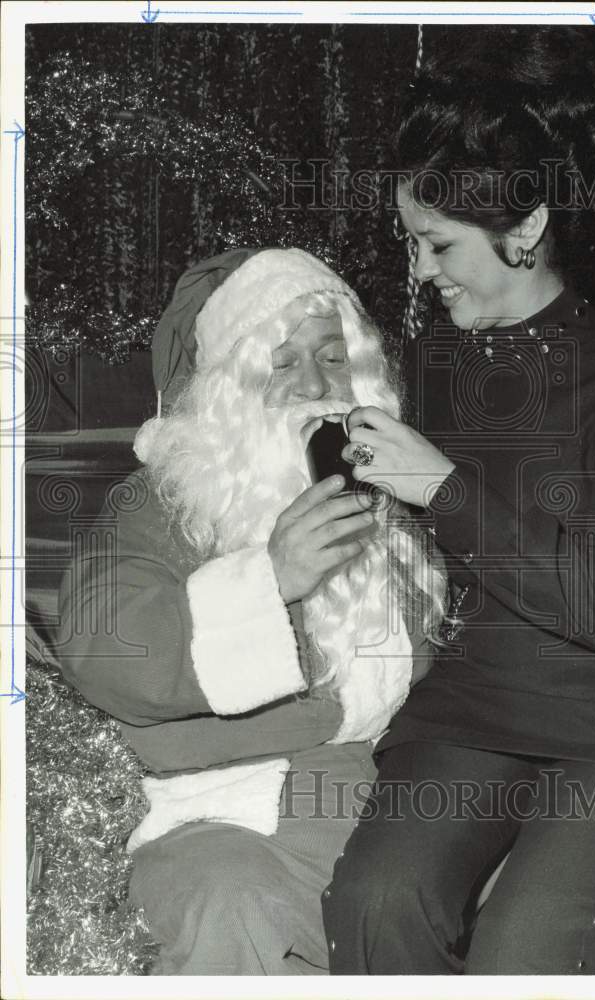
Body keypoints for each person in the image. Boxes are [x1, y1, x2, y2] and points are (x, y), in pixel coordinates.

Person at [322, 28, 595, 975]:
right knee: (376, 900)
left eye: (437, 243)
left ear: (527, 229)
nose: (421, 270)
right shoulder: (424, 373)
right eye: (413, 242)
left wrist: (444, 487)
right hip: (477, 705)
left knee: (525, 953)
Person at [56, 246, 447, 975]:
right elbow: (106, 650)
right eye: (283, 362)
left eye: (334, 358)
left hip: (381, 807)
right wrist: (271, 580)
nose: (316, 386)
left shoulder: (391, 507)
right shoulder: (162, 503)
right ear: (228, 387)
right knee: (229, 902)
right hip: (223, 818)